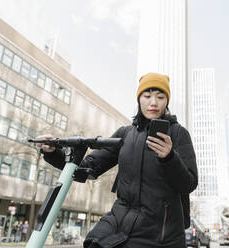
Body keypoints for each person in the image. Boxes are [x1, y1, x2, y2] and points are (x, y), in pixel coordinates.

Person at [38, 72, 198, 248]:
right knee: (94, 243)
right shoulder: (125, 134)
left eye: (160, 97)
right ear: (139, 99)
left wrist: (169, 157)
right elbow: (87, 167)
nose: (153, 102)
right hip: (120, 218)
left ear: (167, 101)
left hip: (160, 230)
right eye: (147, 96)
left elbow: (188, 183)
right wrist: (53, 152)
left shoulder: (178, 134)